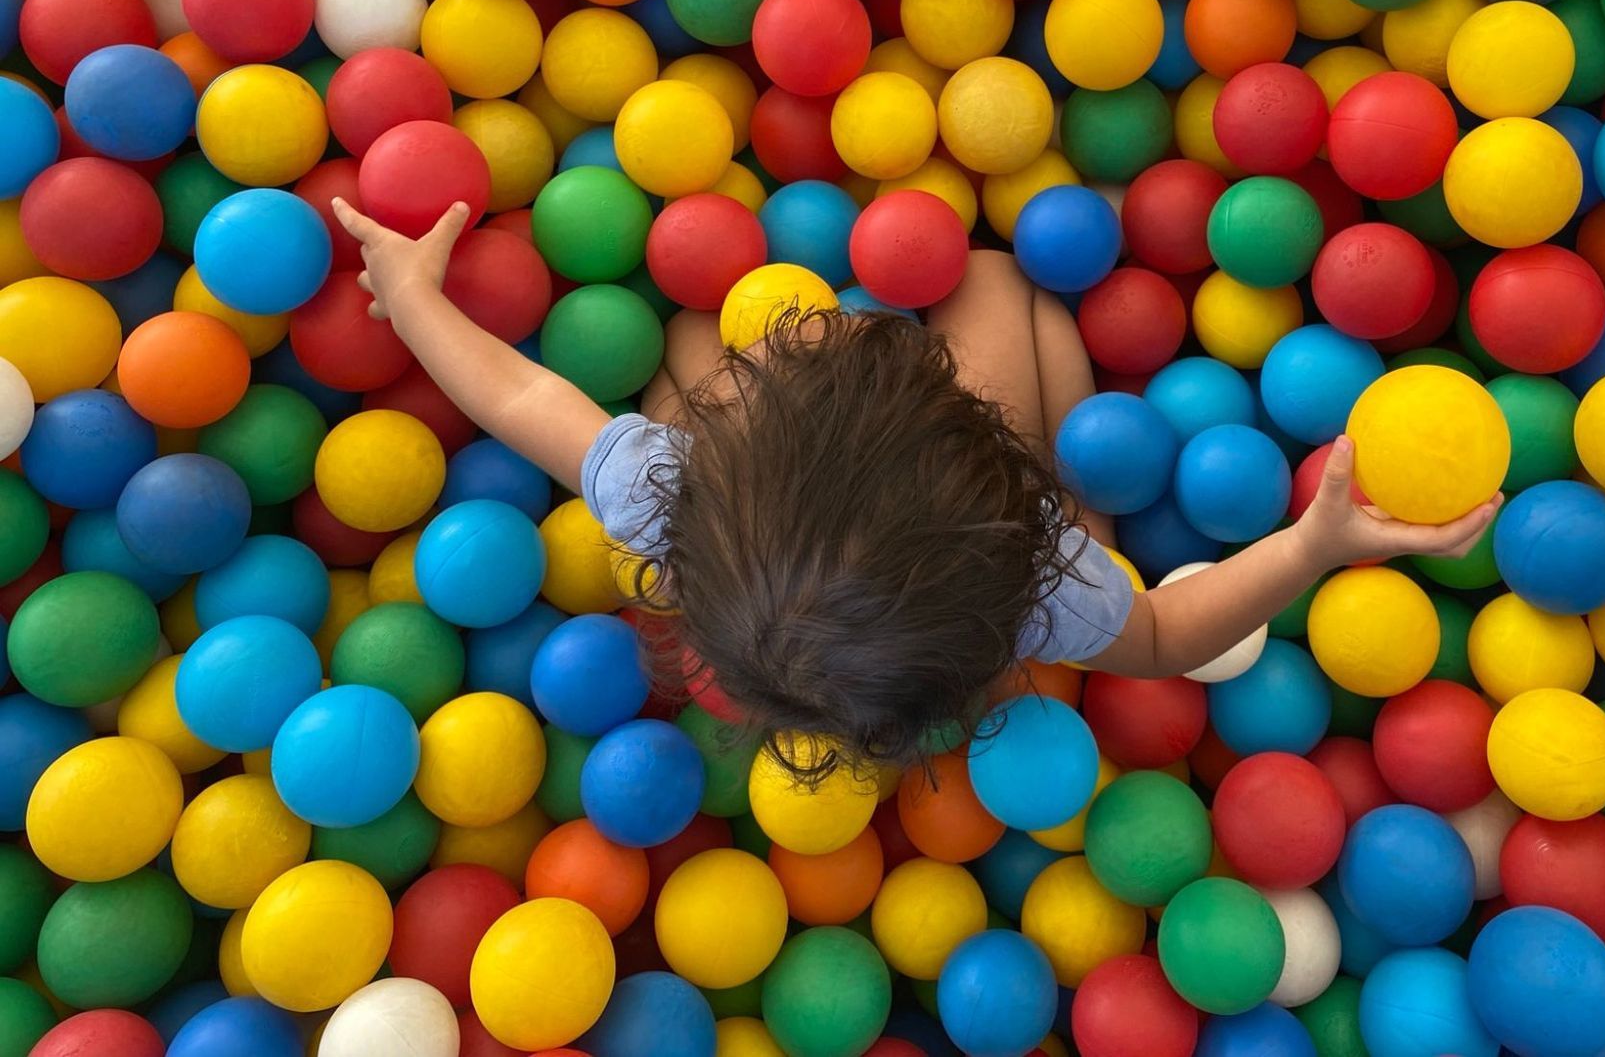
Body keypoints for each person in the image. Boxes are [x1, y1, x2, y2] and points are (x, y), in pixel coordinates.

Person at [335, 197, 1499, 775]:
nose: (822, 332)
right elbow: (1161, 633)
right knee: (997, 279)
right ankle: (1070, 476)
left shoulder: (664, 490)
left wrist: (416, 298)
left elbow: (520, 396)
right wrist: (1312, 546)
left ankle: (733, 374)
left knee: (695, 328)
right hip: (999, 526)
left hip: (877, 580)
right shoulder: (1040, 583)